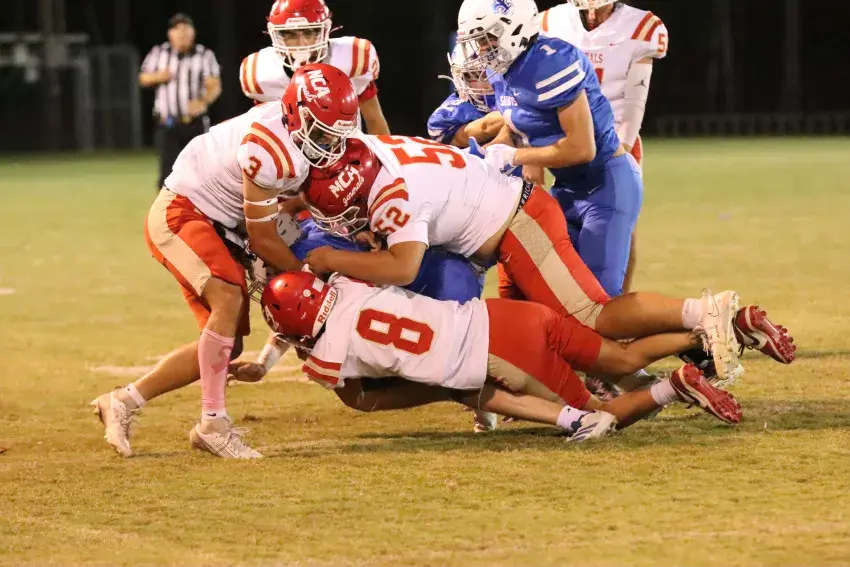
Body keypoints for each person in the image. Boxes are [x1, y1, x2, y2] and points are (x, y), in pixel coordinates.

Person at [90, 66, 483, 458]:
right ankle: (213, 425)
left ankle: (124, 400)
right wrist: (310, 275)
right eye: (322, 133)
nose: (330, 144)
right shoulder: (272, 150)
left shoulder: (305, 143)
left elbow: (290, 215)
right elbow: (264, 237)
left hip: (228, 226)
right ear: (295, 115)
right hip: (185, 211)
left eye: (336, 134)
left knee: (228, 342)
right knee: (229, 299)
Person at [298, 134, 796, 386]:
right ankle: (699, 340)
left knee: (592, 316)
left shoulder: (395, 195)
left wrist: (328, 257)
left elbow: (402, 267)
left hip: (519, 223)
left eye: (344, 214)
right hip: (506, 224)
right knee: (556, 338)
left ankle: (705, 312)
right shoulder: (369, 151)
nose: (346, 224)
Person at [256, 271, 743, 443]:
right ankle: (701, 330)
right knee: (618, 359)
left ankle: (675, 384)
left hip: (500, 353)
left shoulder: (328, 356)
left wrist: (276, 352)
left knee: (602, 415)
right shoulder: (346, 285)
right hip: (504, 314)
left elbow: (352, 393)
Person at [540, 0, 669, 293]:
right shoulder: (549, 22)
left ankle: (619, 302)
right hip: (563, 141)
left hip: (614, 140)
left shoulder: (640, 26)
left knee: (622, 227)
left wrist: (619, 152)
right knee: (559, 223)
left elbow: (634, 103)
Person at [240, 0, 390, 135]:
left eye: (309, 32)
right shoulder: (263, 75)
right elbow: (261, 132)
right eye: (291, 35)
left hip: (347, 151)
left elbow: (374, 118)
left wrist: (383, 156)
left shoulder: (352, 60)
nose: (302, 43)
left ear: (324, 30)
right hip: (291, 154)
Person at [139, 13, 222, 189]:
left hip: (194, 124)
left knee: (201, 175)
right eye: (178, 29)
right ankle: (167, 207)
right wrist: (158, 76)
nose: (182, 34)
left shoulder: (204, 55)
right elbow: (143, 78)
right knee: (167, 176)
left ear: (193, 32)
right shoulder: (159, 53)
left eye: (186, 29)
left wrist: (202, 102)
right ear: (170, 33)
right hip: (167, 124)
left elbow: (214, 85)